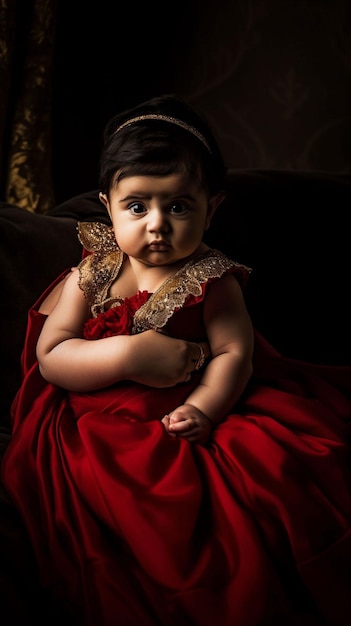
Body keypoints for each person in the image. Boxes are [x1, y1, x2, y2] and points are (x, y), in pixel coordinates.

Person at [2, 94, 351, 626]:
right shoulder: (94, 272)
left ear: (212, 207)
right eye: (138, 206)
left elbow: (236, 353)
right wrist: (126, 352)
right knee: (121, 497)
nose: (158, 224)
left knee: (265, 470)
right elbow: (51, 355)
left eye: (179, 206)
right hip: (96, 419)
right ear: (108, 205)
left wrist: (206, 408)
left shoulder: (214, 279)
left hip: (185, 406)